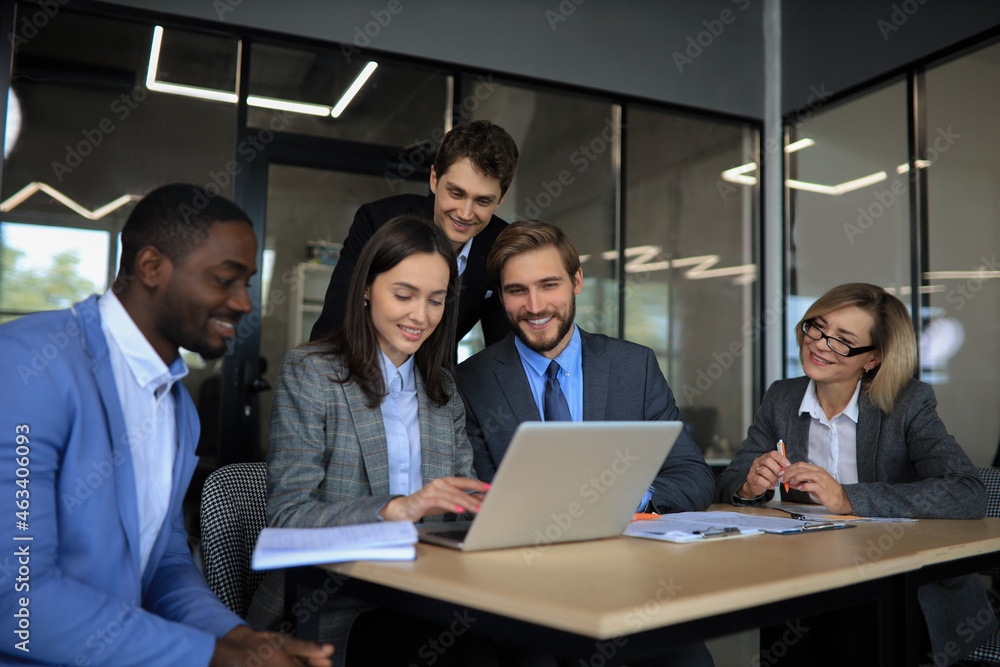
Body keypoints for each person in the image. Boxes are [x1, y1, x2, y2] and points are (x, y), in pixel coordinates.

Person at [0, 184, 333, 667]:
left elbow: (166, 566)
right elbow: (18, 600)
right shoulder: (29, 365)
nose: (244, 303)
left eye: (248, 283)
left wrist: (244, 640)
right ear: (152, 267)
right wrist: (217, 657)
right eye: (226, 279)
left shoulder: (177, 405)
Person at [455, 220, 715, 667]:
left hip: (629, 584)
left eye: (549, 285)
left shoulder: (634, 366)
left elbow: (693, 476)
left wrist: (631, 496)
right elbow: (479, 494)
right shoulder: (471, 380)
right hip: (523, 591)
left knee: (689, 660)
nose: (535, 306)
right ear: (500, 296)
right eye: (517, 290)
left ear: (577, 281)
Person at [247, 216, 497, 667]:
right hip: (333, 606)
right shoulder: (312, 373)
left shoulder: (440, 385)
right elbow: (288, 516)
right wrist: (393, 509)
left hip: (426, 596)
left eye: (436, 300)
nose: (420, 315)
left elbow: (463, 500)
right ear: (366, 288)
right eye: (403, 295)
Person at [715, 282, 993, 665]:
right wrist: (750, 487)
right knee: (787, 619)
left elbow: (967, 492)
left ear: (873, 358)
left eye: (842, 340)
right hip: (805, 572)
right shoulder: (782, 396)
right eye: (818, 327)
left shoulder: (906, 402)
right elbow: (730, 481)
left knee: (847, 627)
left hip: (897, 579)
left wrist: (849, 499)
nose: (819, 344)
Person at [309, 119, 518, 347]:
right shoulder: (379, 221)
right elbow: (335, 323)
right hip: (361, 366)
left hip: (438, 377)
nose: (465, 213)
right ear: (434, 179)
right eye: (456, 193)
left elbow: (503, 352)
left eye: (483, 201)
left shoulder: (503, 246)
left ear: (501, 199)